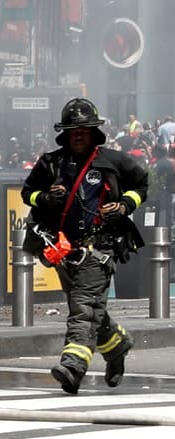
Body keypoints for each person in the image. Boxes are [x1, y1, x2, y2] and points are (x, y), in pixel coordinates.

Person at [21, 97, 147, 394]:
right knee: (90, 309)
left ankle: (73, 367)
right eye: (73, 130)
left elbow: (142, 183)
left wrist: (126, 204)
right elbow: (29, 193)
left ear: (94, 132)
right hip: (62, 251)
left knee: (83, 308)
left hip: (99, 248)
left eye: (84, 129)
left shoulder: (113, 161)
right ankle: (117, 346)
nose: (78, 134)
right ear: (64, 133)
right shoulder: (51, 163)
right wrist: (46, 198)